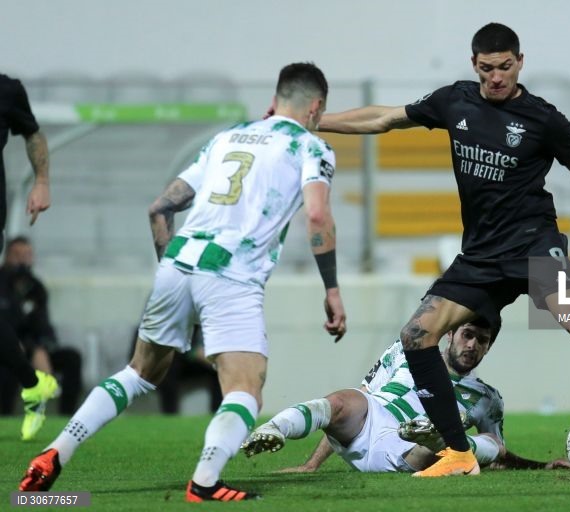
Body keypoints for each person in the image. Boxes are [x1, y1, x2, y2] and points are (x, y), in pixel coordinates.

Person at [317, 23, 570, 477]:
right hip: (481, 256)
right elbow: (385, 118)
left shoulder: (542, 118)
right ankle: (458, 453)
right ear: (475, 65)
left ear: (520, 62)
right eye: (487, 68)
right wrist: (314, 122)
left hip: (533, 245)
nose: (496, 77)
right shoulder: (456, 101)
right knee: (417, 336)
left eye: (505, 67)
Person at [20, 62, 347, 502]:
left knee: (139, 373)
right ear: (316, 106)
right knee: (245, 387)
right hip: (232, 273)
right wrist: (331, 288)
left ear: (274, 100)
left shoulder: (225, 137)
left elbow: (158, 208)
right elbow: (316, 215)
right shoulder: (312, 146)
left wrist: (175, 279)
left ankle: (56, 450)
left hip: (177, 263)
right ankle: (205, 482)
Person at [242, 320, 570, 473]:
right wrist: (311, 465)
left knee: (486, 444)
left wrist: (541, 466)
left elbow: (498, 456)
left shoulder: (487, 398)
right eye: (467, 335)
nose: (472, 346)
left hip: (407, 451)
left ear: (488, 346)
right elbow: (359, 399)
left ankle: (440, 440)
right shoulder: (404, 351)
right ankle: (275, 428)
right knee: (345, 400)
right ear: (451, 334)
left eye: (481, 340)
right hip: (368, 423)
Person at [0, 73, 58, 442]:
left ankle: (32, 383)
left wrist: (41, 181)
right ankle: (33, 383)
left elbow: (32, 132)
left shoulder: (7, 89)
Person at [0, 236, 82, 417]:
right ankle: (4, 417)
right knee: (8, 364)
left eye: (27, 255)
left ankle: (66, 418)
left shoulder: (37, 288)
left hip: (33, 349)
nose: (22, 259)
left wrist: (42, 348)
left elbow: (43, 325)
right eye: (17, 255)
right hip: (8, 349)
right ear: (6, 256)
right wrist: (22, 347)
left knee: (72, 358)